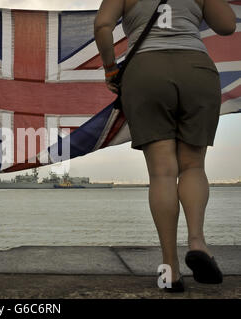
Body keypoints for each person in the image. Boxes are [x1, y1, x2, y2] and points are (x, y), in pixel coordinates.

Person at [95, 0, 236, 292]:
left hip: (145, 72)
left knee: (162, 173)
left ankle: (169, 271)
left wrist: (110, 68)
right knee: (194, 166)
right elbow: (227, 26)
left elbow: (102, 26)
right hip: (196, 68)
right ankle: (197, 241)